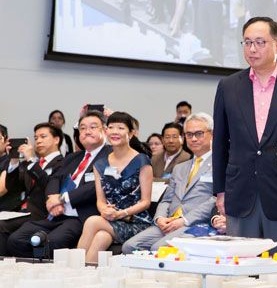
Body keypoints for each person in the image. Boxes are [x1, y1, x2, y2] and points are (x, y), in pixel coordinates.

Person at [212, 16, 277, 261]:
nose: (252, 49)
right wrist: (220, 191)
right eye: (247, 43)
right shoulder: (228, 86)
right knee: (240, 267)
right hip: (240, 190)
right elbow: (220, 144)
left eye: (260, 42)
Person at [6, 111, 111, 258]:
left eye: (93, 127)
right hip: (55, 214)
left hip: (80, 217)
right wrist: (53, 199)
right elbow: (54, 179)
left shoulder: (111, 156)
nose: (87, 131)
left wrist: (62, 199)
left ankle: (46, 273)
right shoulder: (73, 157)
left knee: (52, 243)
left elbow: (96, 187)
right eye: (82, 128)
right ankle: (34, 270)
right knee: (15, 240)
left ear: (105, 130)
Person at [122, 113, 216, 253]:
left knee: (159, 249)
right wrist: (160, 218)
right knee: (129, 247)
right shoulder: (180, 168)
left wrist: (184, 220)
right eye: (189, 134)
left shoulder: (220, 165)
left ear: (212, 135)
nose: (194, 138)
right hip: (168, 222)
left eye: (199, 133)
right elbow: (166, 200)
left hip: (196, 224)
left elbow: (215, 200)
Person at [77, 112, 152, 263]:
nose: (115, 132)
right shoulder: (100, 164)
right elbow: (100, 200)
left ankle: (72, 269)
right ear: (105, 131)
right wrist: (104, 210)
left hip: (136, 221)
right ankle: (87, 276)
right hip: (110, 220)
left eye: (121, 128)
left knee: (92, 221)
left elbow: (146, 202)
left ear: (131, 133)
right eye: (111, 127)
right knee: (101, 237)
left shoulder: (142, 160)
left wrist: (122, 213)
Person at [0, 123, 64, 254]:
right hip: (26, 213)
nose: (38, 141)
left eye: (43, 136)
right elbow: (13, 186)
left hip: (44, 215)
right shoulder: (33, 164)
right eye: (35, 138)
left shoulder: (63, 163)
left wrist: (31, 160)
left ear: (56, 139)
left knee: (3, 228)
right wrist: (13, 162)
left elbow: (48, 184)